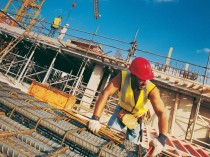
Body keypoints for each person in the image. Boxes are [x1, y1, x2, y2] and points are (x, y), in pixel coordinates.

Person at [88, 57, 168, 157]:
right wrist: (95, 118)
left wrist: (162, 137)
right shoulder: (122, 77)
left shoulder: (152, 89)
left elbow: (162, 113)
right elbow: (105, 94)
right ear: (132, 75)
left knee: (131, 147)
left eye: (146, 79)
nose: (145, 82)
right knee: (109, 136)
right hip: (121, 112)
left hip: (137, 118)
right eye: (141, 79)